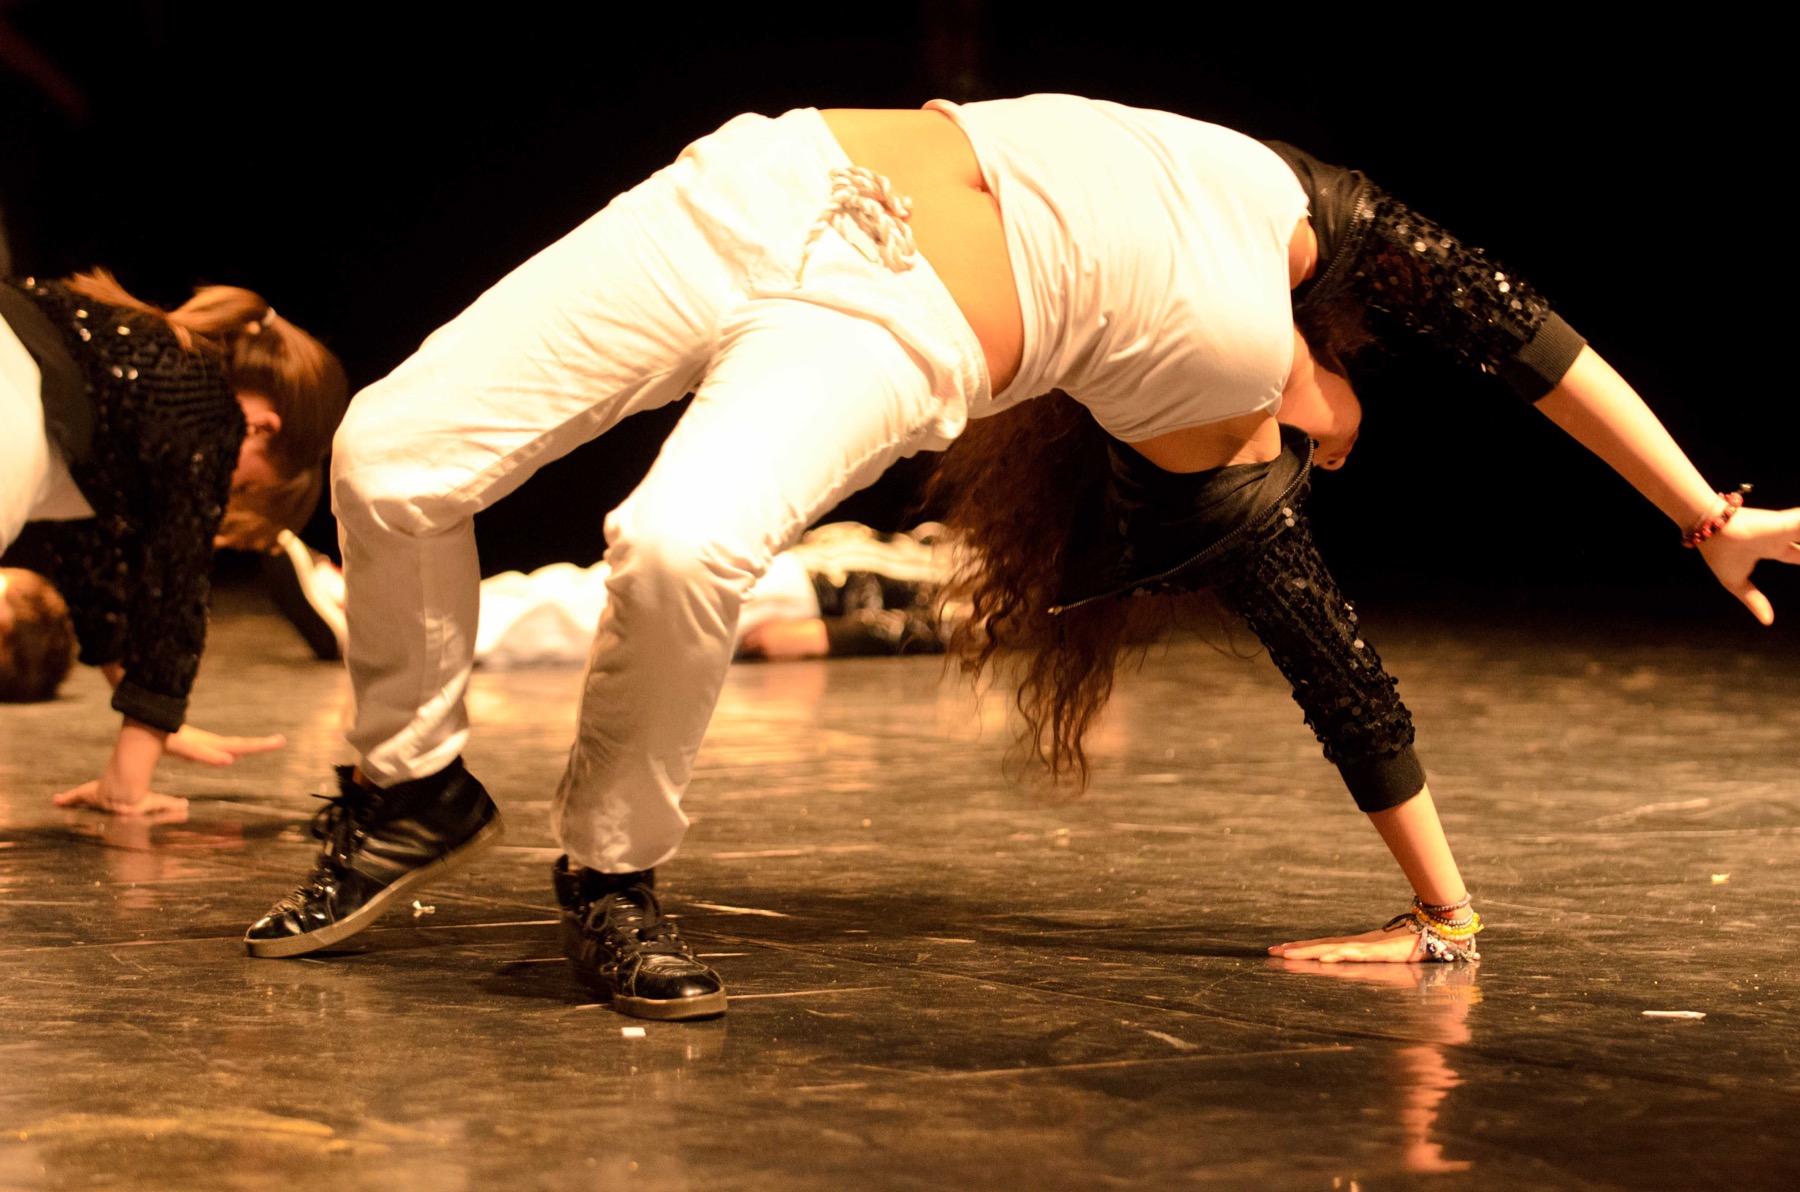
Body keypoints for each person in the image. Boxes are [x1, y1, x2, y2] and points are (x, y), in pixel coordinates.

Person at [241, 97, 1798, 1020]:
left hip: (880, 324)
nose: (1331, 447)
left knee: (679, 543)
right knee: (388, 450)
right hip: (762, 178)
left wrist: (1445, 914)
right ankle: (409, 787)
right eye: (1337, 429)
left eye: (1305, 461)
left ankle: (610, 871)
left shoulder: (1207, 419)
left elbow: (1332, 659)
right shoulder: (1302, 212)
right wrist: (1702, 511)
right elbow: (1530, 341)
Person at [0, 268, 349, 816]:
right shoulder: (210, 412)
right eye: (247, 485)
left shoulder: (133, 378)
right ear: (262, 428)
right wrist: (129, 776)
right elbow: (175, 597)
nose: (226, 492)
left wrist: (151, 717)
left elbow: (90, 563)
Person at [261, 519, 958, 667]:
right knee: (576, 590)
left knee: (590, 609)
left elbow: (960, 623)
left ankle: (386, 632)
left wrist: (826, 638)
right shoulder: (970, 542)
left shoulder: (994, 582)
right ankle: (390, 610)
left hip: (806, 595)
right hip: (795, 569)